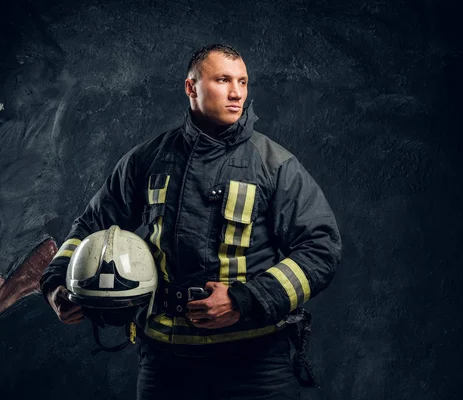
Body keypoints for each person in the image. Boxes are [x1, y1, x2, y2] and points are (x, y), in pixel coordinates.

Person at [40, 43, 342, 400]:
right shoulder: (148, 159)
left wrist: (245, 299)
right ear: (191, 87)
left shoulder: (275, 165)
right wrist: (56, 281)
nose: (236, 93)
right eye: (223, 80)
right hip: (165, 364)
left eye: (243, 82)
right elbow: (92, 224)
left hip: (255, 365)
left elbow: (321, 249)